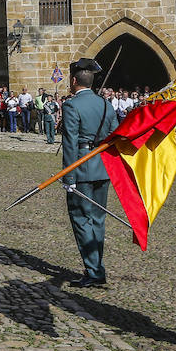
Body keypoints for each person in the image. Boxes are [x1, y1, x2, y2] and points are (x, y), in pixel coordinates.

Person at [60, 57, 115, 289]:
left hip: (81, 168)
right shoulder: (106, 105)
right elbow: (114, 137)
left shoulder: (71, 105)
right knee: (98, 219)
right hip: (103, 167)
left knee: (82, 219)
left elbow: (70, 142)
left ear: (74, 81)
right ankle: (96, 265)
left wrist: (68, 176)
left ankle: (94, 270)